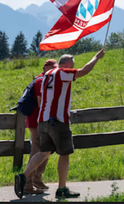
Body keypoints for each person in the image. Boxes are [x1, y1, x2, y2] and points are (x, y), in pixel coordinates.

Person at [14, 49, 106, 200]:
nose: (74, 67)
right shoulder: (61, 73)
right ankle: (62, 189)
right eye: (73, 64)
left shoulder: (45, 76)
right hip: (57, 120)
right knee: (64, 154)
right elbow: (83, 71)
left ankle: (23, 176)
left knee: (44, 152)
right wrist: (96, 58)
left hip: (42, 120)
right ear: (67, 64)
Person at [22, 59, 57, 195]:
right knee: (37, 150)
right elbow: (41, 102)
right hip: (38, 120)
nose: (55, 70)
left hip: (39, 119)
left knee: (45, 148)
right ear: (45, 67)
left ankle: (36, 177)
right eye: (52, 67)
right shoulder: (40, 81)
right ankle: (27, 184)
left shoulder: (43, 80)